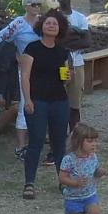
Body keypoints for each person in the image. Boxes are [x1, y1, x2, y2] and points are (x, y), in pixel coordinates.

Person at [18, 11, 72, 200]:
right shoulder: (32, 48)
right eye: (48, 23)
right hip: (38, 101)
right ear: (41, 26)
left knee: (59, 144)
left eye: (54, 24)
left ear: (60, 29)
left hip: (59, 100)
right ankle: (29, 183)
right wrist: (28, 100)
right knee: (36, 142)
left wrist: (68, 77)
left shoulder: (62, 50)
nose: (51, 26)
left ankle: (63, 181)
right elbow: (25, 76)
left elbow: (65, 77)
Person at [0, 0, 44, 153]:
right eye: (33, 4)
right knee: (25, 105)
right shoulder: (18, 24)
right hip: (26, 70)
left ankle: (38, 138)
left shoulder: (42, 22)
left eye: (39, 4)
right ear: (25, 6)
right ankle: (21, 146)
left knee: (42, 104)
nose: (37, 7)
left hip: (43, 69)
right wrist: (15, 55)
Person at [53, 124, 102, 214]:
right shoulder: (69, 159)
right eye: (90, 141)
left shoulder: (93, 157)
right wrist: (75, 183)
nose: (94, 144)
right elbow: (62, 178)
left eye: (95, 141)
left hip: (90, 195)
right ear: (78, 142)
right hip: (73, 198)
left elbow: (95, 171)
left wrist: (100, 172)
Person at [53, 0, 90, 129]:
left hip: (76, 64)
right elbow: (51, 41)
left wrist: (64, 42)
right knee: (57, 100)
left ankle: (74, 135)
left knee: (74, 103)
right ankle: (57, 135)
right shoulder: (52, 17)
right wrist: (74, 35)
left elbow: (87, 42)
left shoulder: (80, 18)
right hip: (58, 65)